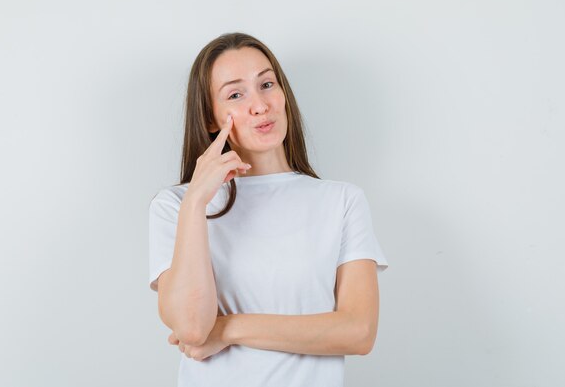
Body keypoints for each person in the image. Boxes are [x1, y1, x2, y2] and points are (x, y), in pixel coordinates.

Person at [148, 32, 389, 387]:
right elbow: (192, 328)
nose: (260, 105)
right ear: (211, 118)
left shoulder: (342, 201)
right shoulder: (175, 207)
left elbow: (358, 331)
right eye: (235, 94)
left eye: (267, 84)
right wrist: (196, 200)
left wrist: (228, 328)